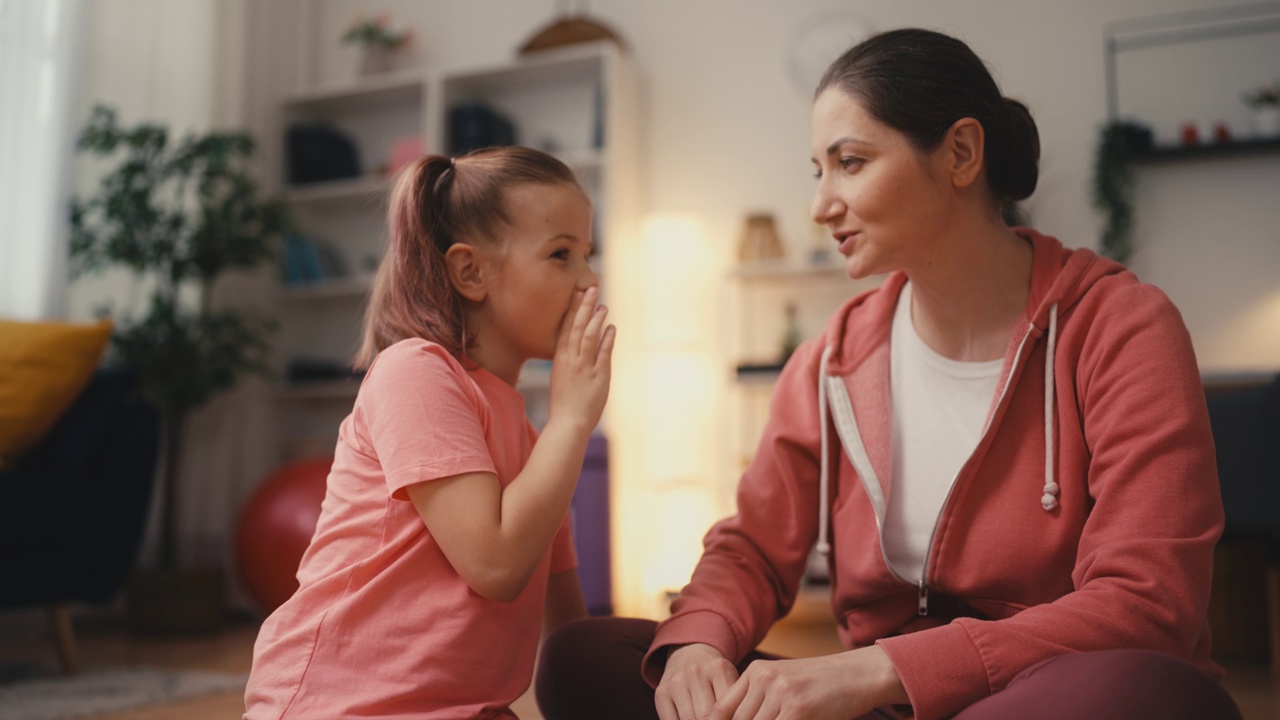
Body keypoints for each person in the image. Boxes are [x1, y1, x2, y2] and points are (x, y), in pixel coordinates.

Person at [535, 28, 1241, 720]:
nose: (820, 206)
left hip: (1043, 690)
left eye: (851, 162)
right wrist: (696, 645)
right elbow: (750, 547)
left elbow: (1149, 605)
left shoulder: (1122, 330)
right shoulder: (833, 360)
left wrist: (881, 669)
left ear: (962, 153)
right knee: (584, 658)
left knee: (1141, 694)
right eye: (819, 171)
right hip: (880, 705)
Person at [244, 146, 615, 719]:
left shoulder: (536, 445)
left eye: (587, 255)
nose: (589, 281)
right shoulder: (415, 372)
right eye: (561, 255)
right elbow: (494, 565)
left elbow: (569, 636)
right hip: (340, 705)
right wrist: (573, 418)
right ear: (470, 272)